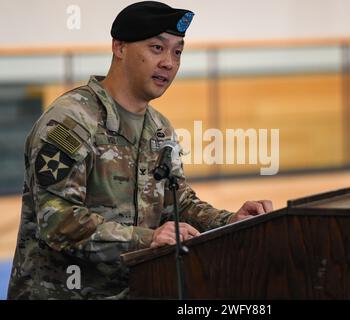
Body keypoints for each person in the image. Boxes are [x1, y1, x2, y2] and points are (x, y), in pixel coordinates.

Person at [7, 1, 273, 299]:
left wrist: (228, 220)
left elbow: (178, 202)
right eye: (156, 48)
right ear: (119, 47)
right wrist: (147, 239)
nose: (169, 63)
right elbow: (58, 221)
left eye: (177, 52)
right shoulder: (70, 122)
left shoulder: (160, 129)